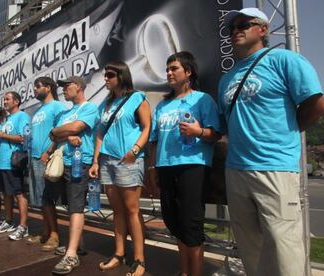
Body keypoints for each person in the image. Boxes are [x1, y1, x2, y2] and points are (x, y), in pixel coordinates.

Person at [218, 8, 324, 276]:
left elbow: (316, 104)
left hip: (275, 167)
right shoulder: (226, 79)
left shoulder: (285, 60)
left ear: (263, 30)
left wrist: (290, 131)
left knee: (283, 244)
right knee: (249, 244)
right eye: (232, 27)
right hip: (236, 170)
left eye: (243, 24)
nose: (235, 30)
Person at [149, 52, 221, 276]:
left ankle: (195, 272)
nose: (169, 73)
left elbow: (216, 133)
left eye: (174, 68)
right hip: (165, 167)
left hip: (193, 167)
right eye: (168, 69)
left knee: (191, 224)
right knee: (174, 222)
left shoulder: (202, 99)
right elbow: (153, 140)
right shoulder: (162, 106)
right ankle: (185, 270)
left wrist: (198, 131)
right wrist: (153, 168)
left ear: (188, 72)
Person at [89, 61, 151, 276]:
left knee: (132, 210)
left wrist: (134, 150)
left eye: (110, 75)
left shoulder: (137, 97)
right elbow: (99, 134)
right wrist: (96, 161)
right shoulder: (105, 103)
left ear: (121, 76)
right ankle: (119, 253)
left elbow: (147, 127)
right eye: (105, 75)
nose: (105, 78)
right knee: (117, 211)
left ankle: (140, 259)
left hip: (129, 160)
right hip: (107, 161)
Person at [49, 76, 98, 275]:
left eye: (67, 86)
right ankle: (77, 245)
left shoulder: (90, 108)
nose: (63, 90)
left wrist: (62, 131)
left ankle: (71, 254)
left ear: (78, 87)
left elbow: (77, 127)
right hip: (63, 163)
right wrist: (64, 133)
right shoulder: (63, 113)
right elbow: (52, 135)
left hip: (80, 163)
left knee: (76, 207)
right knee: (70, 206)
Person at [26, 77, 66, 250]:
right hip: (34, 158)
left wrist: (49, 151)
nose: (34, 90)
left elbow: (61, 132)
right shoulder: (38, 110)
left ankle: (55, 236)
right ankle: (45, 232)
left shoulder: (58, 107)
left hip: (47, 158)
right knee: (41, 199)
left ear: (48, 88)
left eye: (37, 86)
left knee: (48, 198)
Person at [0, 91, 31, 241]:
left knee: (19, 194)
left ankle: (23, 226)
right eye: (4, 99)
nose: (5, 102)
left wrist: (2, 135)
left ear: (16, 102)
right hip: (2, 163)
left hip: (13, 162)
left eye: (7, 99)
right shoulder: (8, 119)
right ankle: (8, 221)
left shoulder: (22, 116)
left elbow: (23, 138)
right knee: (6, 193)